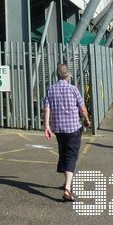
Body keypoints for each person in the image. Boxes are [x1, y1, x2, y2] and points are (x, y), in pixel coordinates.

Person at [43, 63, 91, 202]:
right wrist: (87, 120)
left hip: (58, 129)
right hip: (73, 128)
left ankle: (66, 182)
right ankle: (68, 189)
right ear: (68, 75)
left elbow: (47, 109)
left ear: (57, 75)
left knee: (63, 153)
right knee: (71, 156)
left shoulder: (50, 89)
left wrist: (47, 126)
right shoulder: (73, 89)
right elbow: (82, 108)